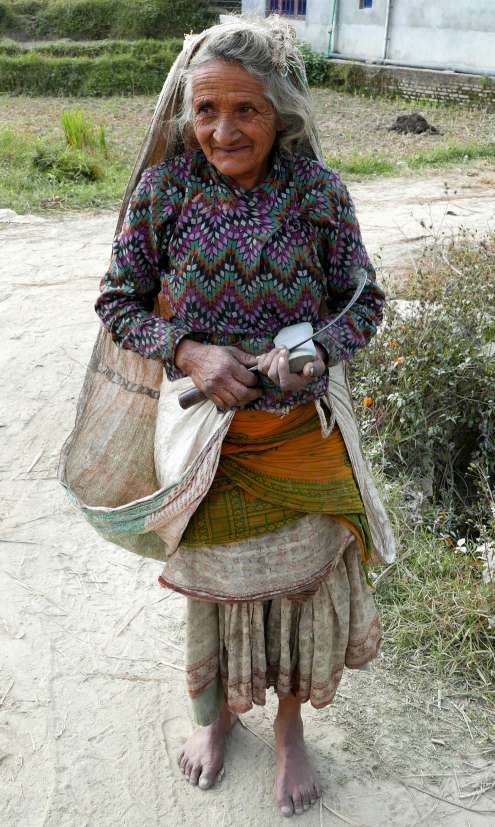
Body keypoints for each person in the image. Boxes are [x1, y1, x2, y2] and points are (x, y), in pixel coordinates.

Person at [89, 16, 394, 819]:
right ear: (186, 113)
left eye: (245, 111)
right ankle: (217, 715)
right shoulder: (166, 192)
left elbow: (363, 302)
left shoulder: (318, 194)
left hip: (301, 437)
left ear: (279, 110)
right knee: (218, 592)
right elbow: (117, 302)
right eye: (206, 111)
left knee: (304, 586)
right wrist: (189, 351)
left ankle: (290, 727)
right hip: (209, 446)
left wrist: (315, 351)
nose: (223, 130)